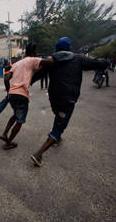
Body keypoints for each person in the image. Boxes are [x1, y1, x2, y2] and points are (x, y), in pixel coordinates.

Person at [29, 37, 109, 167]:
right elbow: (96, 63)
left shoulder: (52, 60)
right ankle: (39, 154)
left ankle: (57, 139)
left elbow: (38, 74)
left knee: (59, 115)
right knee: (59, 125)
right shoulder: (78, 58)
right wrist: (105, 62)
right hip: (68, 99)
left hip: (54, 99)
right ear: (69, 47)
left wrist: (28, 82)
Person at [0, 43, 54, 150]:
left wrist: (8, 92)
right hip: (21, 95)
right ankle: (8, 143)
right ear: (33, 52)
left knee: (15, 115)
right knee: (20, 120)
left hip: (12, 94)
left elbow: (6, 79)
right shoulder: (32, 60)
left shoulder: (16, 63)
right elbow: (50, 62)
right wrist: (52, 57)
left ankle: (5, 133)